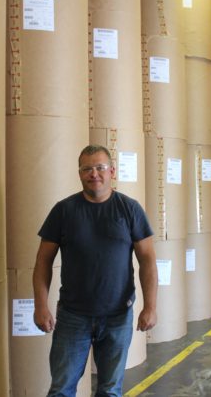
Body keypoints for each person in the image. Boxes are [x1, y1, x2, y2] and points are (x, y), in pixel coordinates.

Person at [33, 144, 158, 397]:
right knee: (61, 389)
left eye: (100, 167)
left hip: (117, 316)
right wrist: (41, 305)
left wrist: (150, 307)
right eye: (87, 169)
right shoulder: (64, 211)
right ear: (79, 174)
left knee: (110, 390)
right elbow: (43, 261)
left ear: (112, 170)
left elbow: (147, 260)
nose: (94, 174)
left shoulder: (129, 209)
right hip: (72, 316)